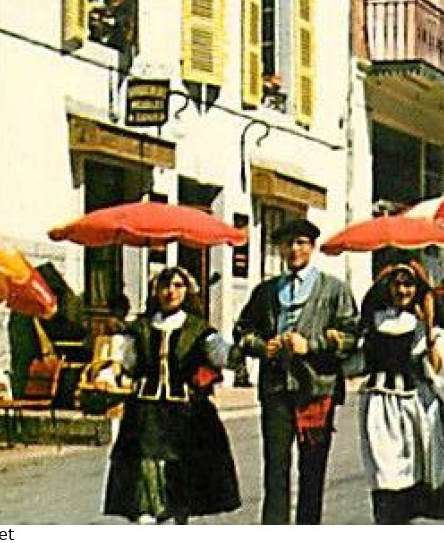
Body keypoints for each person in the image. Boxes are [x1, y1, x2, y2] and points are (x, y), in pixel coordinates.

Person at [233, 219, 358, 524]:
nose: (294, 249)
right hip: (276, 390)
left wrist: (312, 345)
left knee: (312, 469)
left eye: (301, 242)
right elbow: (242, 330)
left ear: (312, 247)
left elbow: (351, 336)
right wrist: (263, 346)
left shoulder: (333, 290)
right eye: (288, 243)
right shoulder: (266, 291)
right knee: (275, 467)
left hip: (316, 390)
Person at [355, 263, 444, 524]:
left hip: (416, 405)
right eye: (397, 284)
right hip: (380, 405)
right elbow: (359, 362)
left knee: (416, 472)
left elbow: (440, 370)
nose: (402, 290)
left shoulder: (423, 327)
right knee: (385, 473)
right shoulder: (375, 321)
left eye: (409, 285)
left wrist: (428, 328)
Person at [103, 268, 239, 524]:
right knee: (148, 467)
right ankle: (149, 514)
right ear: (156, 291)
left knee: (184, 468)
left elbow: (222, 355)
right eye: (165, 286)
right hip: (146, 411)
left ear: (186, 291)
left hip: (187, 412)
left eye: (178, 285)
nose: (171, 292)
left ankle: (179, 516)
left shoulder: (199, 329)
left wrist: (244, 350)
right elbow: (125, 363)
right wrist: (111, 370)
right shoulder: (141, 328)